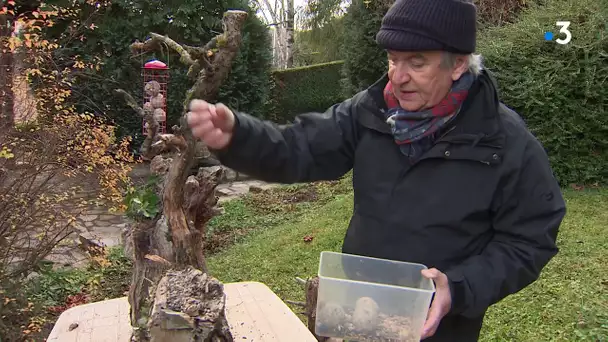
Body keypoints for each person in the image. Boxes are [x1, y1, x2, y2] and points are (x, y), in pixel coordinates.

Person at [187, 0, 566, 340]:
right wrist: (239, 137)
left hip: (441, 327)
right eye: (393, 58)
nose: (398, 77)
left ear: (459, 64)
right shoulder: (369, 111)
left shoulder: (503, 140)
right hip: (358, 312)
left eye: (416, 62)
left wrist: (459, 287)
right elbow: (298, 148)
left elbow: (530, 238)